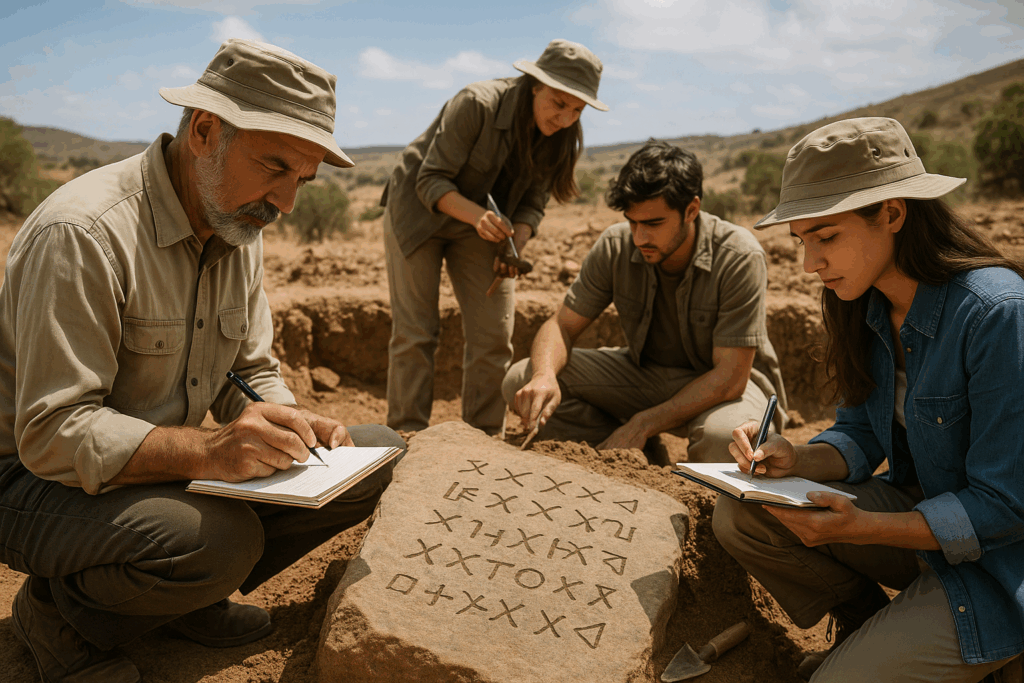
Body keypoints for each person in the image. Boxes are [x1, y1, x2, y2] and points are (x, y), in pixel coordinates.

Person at [0, 39, 405, 683]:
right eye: (274, 167)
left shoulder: (237, 221)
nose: (286, 203)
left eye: (302, 180)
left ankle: (171, 600)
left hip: (160, 473)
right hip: (37, 483)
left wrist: (290, 424)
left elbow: (250, 370)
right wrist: (211, 455)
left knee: (376, 455)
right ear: (205, 130)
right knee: (218, 542)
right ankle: (62, 611)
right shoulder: (82, 233)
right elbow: (52, 435)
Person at [712, 117, 1024, 682]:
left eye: (826, 237)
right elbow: (860, 432)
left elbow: (1004, 507)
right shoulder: (863, 302)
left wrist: (860, 528)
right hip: (923, 531)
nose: (810, 264)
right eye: (802, 241)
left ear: (893, 213)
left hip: (1000, 569)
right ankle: (869, 632)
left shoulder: (997, 314)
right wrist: (795, 457)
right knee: (743, 512)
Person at [503, 140, 787, 461]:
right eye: (632, 221)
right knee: (524, 379)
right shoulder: (616, 245)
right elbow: (560, 326)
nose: (639, 238)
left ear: (691, 210)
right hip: (646, 376)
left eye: (653, 224)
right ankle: (642, 455)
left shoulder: (739, 255)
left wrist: (643, 422)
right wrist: (544, 376)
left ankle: (646, 441)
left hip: (726, 386)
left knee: (725, 439)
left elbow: (730, 379)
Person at [381, 39, 607, 437]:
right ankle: (405, 436)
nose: (567, 118)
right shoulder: (477, 103)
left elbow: (534, 201)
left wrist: (513, 243)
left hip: (483, 223)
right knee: (416, 331)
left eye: (577, 109)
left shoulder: (559, 133)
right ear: (534, 84)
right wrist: (479, 218)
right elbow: (430, 179)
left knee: (494, 336)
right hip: (419, 213)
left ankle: (481, 438)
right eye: (559, 103)